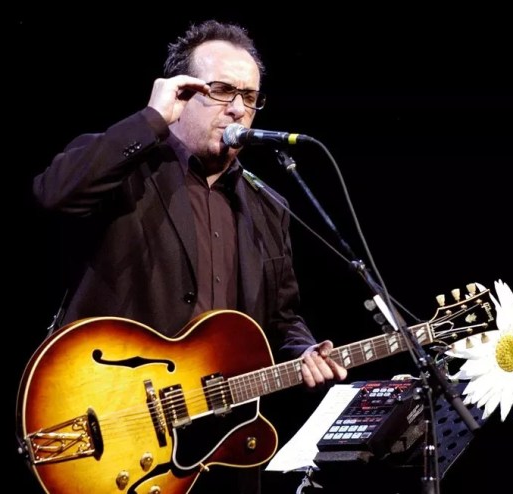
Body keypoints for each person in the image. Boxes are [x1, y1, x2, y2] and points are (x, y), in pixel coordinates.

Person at [32, 19, 347, 494]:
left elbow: (282, 317)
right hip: (112, 424)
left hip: (216, 448)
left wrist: (304, 351)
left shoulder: (269, 207)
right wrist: (151, 119)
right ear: (180, 94)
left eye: (249, 96)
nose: (238, 109)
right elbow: (53, 192)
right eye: (221, 91)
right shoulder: (130, 168)